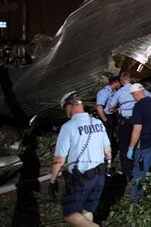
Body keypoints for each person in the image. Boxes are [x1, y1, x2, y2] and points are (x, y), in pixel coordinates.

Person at [48, 91, 111, 227]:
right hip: (100, 175)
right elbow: (107, 151)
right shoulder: (98, 123)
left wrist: (52, 181)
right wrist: (108, 167)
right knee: (87, 210)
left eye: (65, 108)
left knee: (70, 213)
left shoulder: (68, 127)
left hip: (82, 178)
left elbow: (59, 160)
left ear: (70, 106)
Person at [107, 72, 151, 177]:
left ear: (121, 82)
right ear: (130, 79)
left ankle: (127, 172)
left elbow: (110, 107)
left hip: (126, 121)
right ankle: (142, 168)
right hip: (140, 119)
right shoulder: (138, 89)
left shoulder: (119, 92)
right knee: (140, 143)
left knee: (124, 145)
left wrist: (119, 107)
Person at [96, 75, 121, 159]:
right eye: (119, 82)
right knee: (107, 140)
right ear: (115, 82)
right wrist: (105, 120)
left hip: (111, 117)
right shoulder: (104, 92)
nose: (120, 84)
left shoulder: (113, 92)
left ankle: (110, 157)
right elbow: (99, 108)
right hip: (106, 117)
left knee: (111, 138)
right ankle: (105, 159)